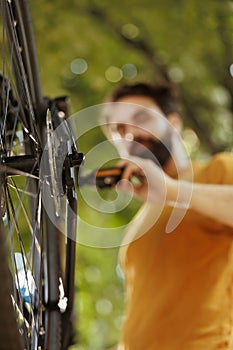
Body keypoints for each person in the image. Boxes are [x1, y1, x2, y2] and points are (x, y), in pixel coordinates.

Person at [102, 82, 233, 350]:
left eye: (140, 117)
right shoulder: (137, 225)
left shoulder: (219, 171)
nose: (130, 134)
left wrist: (171, 189)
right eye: (119, 130)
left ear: (174, 123)